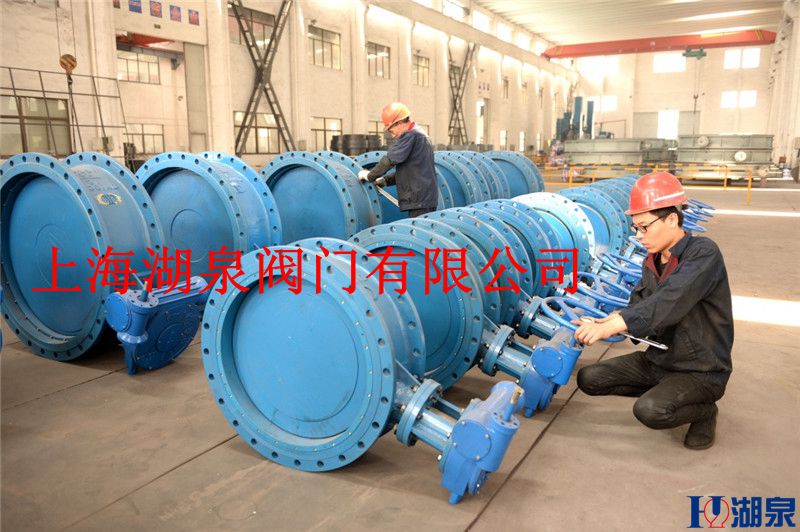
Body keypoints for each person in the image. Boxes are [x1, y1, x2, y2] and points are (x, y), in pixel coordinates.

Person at [573, 172, 733, 450]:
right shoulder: (653, 260)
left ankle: (705, 411)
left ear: (671, 219)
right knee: (589, 379)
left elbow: (670, 301)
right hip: (660, 360)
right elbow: (640, 305)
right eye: (636, 228)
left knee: (650, 411)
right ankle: (668, 392)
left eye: (644, 227)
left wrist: (614, 325)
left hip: (701, 369)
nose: (639, 236)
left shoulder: (703, 253)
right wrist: (607, 320)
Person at [357, 102, 438, 218]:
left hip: (419, 200)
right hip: (424, 199)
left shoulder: (410, 135)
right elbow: (412, 170)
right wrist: (385, 180)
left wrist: (369, 175)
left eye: (391, 130)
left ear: (399, 123)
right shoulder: (420, 134)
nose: (393, 135)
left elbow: (389, 160)